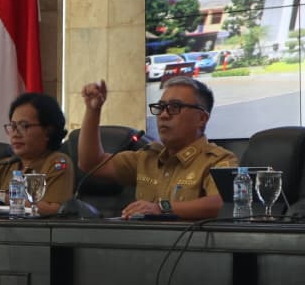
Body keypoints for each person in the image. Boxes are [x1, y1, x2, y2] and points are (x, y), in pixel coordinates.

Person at [78, 75, 237, 220]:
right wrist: (93, 110)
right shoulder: (147, 157)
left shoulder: (217, 160)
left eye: (174, 107)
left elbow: (223, 203)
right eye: (160, 107)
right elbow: (91, 163)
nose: (163, 115)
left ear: (201, 118)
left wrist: (163, 208)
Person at [0, 93, 74, 215]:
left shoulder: (58, 163)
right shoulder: (5, 165)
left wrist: (0, 198)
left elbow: (56, 210)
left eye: (24, 126)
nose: (15, 134)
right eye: (13, 126)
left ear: (48, 131)